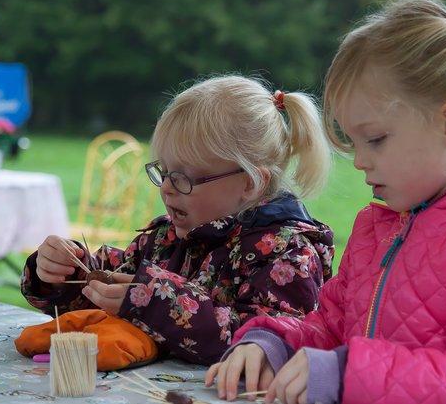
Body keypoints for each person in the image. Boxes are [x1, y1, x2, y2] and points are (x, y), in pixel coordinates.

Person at [208, 0, 446, 404]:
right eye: (354, 143)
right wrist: (271, 345)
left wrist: (349, 374)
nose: (361, 161)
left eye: (376, 139)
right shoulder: (380, 226)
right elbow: (331, 330)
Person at [21, 75, 335, 365]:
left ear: (250, 182)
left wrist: (152, 300)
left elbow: (265, 343)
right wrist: (66, 273)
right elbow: (107, 292)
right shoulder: (165, 239)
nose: (168, 188)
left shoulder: (289, 256)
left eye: (183, 177)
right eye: (164, 172)